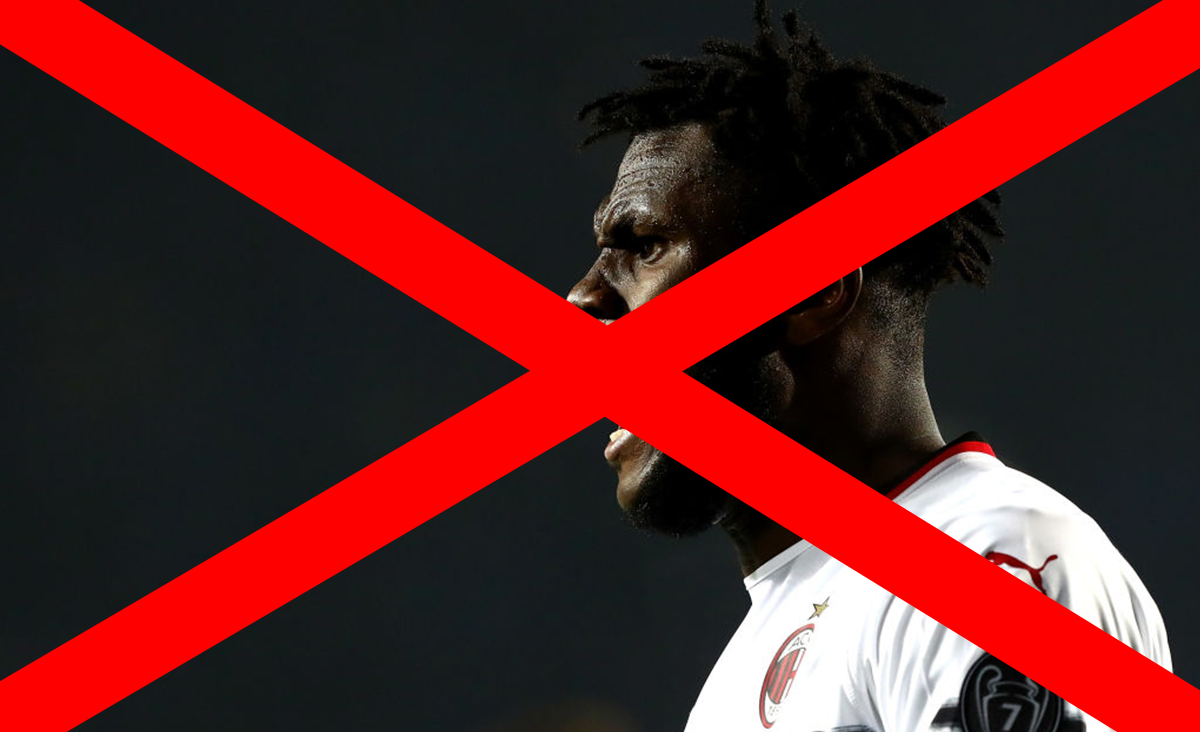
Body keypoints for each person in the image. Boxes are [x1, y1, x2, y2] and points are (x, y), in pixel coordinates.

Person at [566, 2, 1171, 731]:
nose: (584, 297)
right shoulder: (752, 664)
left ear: (813, 290)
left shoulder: (990, 558)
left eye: (644, 246)